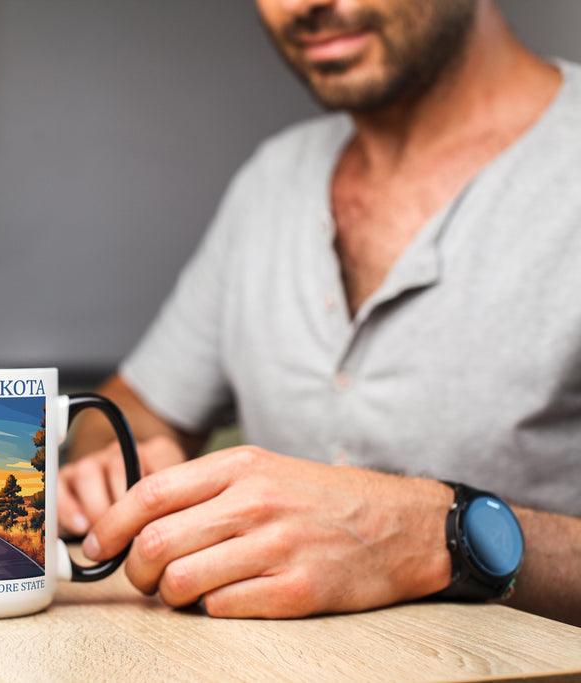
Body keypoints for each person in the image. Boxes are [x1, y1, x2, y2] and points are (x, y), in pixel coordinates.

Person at [57, 0, 581, 626]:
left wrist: (433, 535)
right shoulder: (271, 182)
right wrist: (117, 464)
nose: (304, 4)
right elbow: (133, 410)